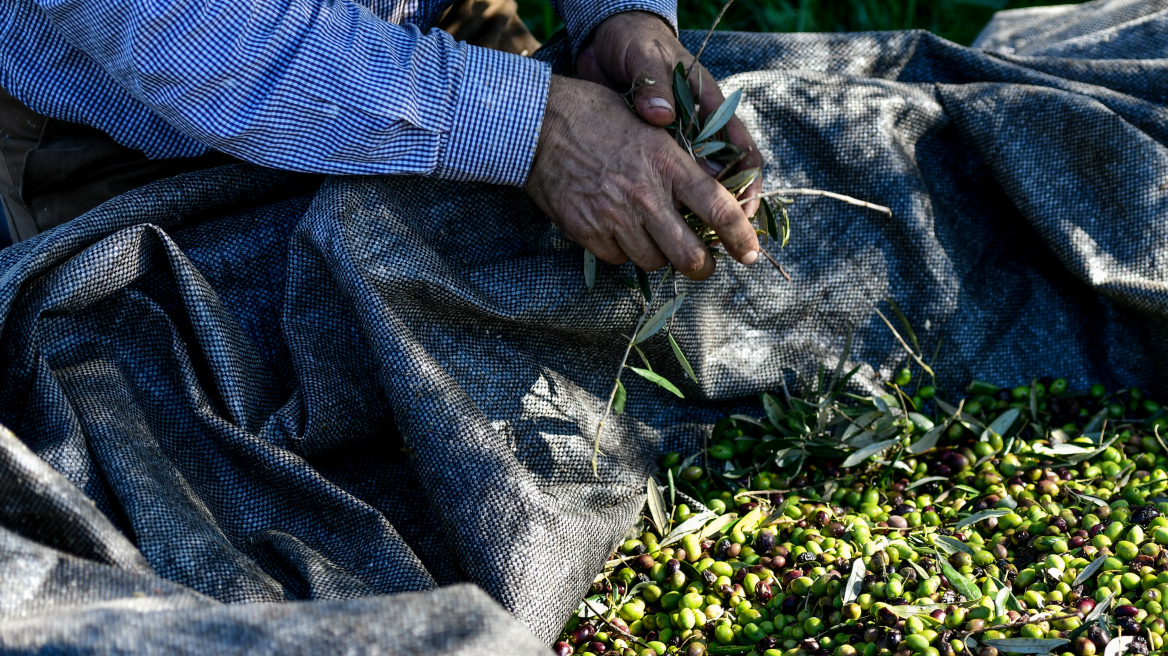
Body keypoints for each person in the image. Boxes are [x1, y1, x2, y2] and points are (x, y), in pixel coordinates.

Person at [0, 0, 763, 280]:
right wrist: (537, 128)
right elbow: (194, 34)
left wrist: (619, 15)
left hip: (430, 28)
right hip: (141, 137)